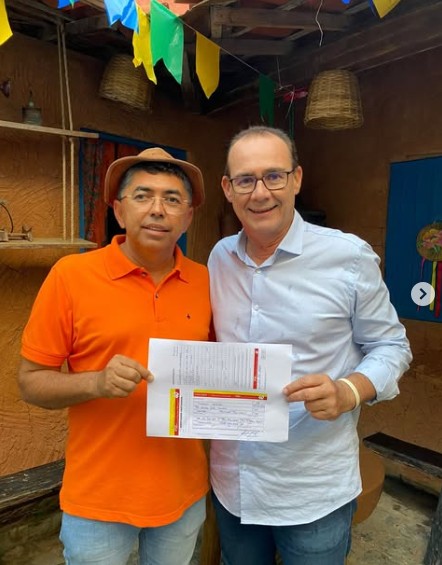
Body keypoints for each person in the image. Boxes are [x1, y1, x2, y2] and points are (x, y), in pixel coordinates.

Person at [208, 126, 412, 565]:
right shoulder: (219, 257)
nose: (260, 193)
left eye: (273, 176)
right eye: (245, 179)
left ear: (296, 179)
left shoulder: (349, 256)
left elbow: (392, 345)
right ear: (227, 189)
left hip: (312, 489)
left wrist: (349, 391)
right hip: (233, 482)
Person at [18, 147, 212, 565]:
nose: (157, 209)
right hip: (98, 499)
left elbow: (220, 375)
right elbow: (30, 382)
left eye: (172, 199)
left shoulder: (206, 282)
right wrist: (96, 382)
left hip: (183, 492)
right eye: (142, 196)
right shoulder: (71, 276)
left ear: (187, 217)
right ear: (119, 211)